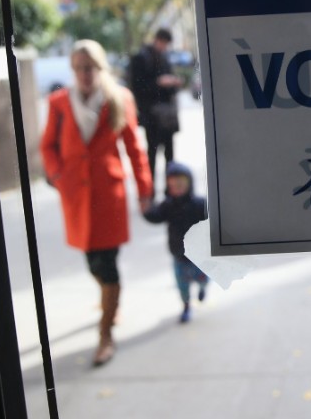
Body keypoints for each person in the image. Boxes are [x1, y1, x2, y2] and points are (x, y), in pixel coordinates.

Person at [39, 39, 153, 367]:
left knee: (107, 263)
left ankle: (105, 334)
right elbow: (47, 146)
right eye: (78, 67)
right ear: (72, 69)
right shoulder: (59, 101)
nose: (84, 73)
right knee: (92, 263)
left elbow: (134, 148)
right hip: (75, 193)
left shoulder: (119, 99)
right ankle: (110, 301)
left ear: (100, 67)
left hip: (108, 194)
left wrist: (145, 189)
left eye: (90, 67)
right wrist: (58, 176)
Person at [142, 161, 209, 323]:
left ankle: (202, 289)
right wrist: (146, 211)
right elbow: (157, 216)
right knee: (182, 286)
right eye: (173, 186)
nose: (177, 189)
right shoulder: (168, 205)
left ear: (189, 183)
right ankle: (186, 306)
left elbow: (211, 220)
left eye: (181, 184)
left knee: (203, 278)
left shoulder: (199, 204)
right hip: (178, 255)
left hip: (199, 257)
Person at [128, 28, 185, 188]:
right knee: (152, 155)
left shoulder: (164, 58)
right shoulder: (141, 58)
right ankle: (150, 189)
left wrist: (172, 83)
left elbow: (171, 88)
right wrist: (159, 83)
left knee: (169, 154)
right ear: (158, 40)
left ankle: (170, 190)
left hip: (166, 115)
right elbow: (137, 87)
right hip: (151, 115)